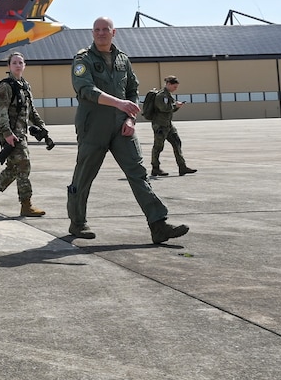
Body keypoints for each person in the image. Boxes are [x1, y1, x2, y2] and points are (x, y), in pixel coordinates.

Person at [66, 17, 190, 244]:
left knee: (138, 173)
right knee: (84, 175)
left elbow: (133, 90)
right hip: (93, 126)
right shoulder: (82, 59)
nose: (101, 33)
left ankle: (158, 224)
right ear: (92, 33)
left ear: (114, 33)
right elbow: (85, 89)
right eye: (97, 30)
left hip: (122, 125)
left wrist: (130, 118)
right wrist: (119, 103)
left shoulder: (123, 59)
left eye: (105, 29)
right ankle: (77, 222)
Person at [0, 51, 48, 217]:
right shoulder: (5, 86)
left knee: (14, 168)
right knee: (24, 165)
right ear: (9, 66)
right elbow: (1, 111)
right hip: (10, 134)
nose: (18, 65)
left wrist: (42, 126)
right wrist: (7, 133)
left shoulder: (25, 86)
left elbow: (31, 111)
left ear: (24, 66)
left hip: (21, 134)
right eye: (14, 62)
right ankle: (26, 205)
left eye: (20, 62)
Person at [151, 75, 196, 177]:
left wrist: (176, 106)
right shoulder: (161, 96)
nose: (176, 89)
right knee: (158, 147)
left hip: (168, 125)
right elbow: (163, 108)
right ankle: (155, 168)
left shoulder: (169, 95)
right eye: (174, 87)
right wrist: (175, 105)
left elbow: (170, 109)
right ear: (168, 84)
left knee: (177, 143)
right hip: (160, 125)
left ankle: (182, 167)